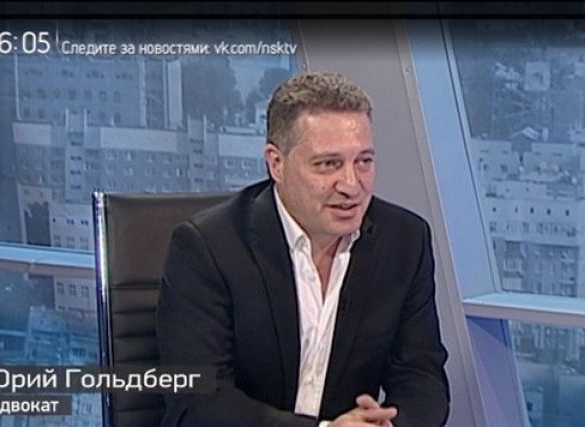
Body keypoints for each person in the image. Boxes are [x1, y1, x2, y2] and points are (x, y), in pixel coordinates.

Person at [156, 71, 450, 427]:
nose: (351, 185)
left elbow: (421, 375)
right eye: (328, 164)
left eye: (364, 161)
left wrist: (392, 425)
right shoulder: (208, 247)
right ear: (276, 163)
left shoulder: (404, 240)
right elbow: (197, 402)